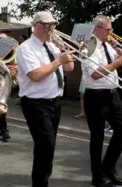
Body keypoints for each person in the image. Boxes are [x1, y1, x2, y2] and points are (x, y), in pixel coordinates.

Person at [16, 11, 75, 187]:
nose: (51, 28)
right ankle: (40, 184)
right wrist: (58, 61)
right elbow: (35, 75)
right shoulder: (26, 48)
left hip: (54, 101)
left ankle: (43, 181)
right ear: (35, 26)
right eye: (46, 25)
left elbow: (70, 67)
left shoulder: (53, 46)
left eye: (52, 25)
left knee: (49, 147)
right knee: (45, 146)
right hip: (36, 103)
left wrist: (63, 49)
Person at [81, 15, 122, 187]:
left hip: (112, 93)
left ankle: (108, 168)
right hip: (95, 95)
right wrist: (119, 62)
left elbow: (116, 66)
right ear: (97, 28)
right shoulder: (88, 46)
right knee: (97, 137)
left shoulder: (108, 46)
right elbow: (96, 74)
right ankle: (97, 177)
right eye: (108, 29)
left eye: (111, 29)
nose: (111, 32)